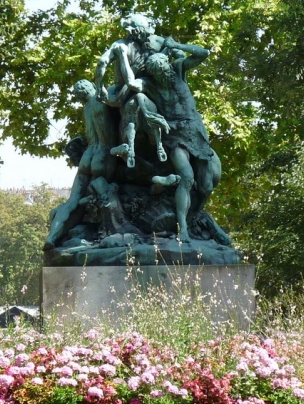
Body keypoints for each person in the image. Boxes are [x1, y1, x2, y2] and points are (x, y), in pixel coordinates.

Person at [122, 38, 227, 243]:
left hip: (195, 132)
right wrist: (121, 57)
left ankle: (194, 216)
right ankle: (184, 229)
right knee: (187, 177)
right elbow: (131, 83)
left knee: (206, 186)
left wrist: (178, 46)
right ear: (152, 72)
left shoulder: (178, 69)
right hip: (175, 135)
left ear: (167, 66)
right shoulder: (149, 84)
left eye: (162, 69)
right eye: (156, 72)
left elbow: (203, 53)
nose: (161, 74)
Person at [44, 79, 118, 249]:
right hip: (104, 154)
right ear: (91, 86)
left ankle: (52, 237)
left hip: (88, 155)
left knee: (72, 200)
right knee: (101, 191)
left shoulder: (86, 109)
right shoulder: (103, 97)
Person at [95, 14, 169, 168]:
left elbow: (102, 62)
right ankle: (161, 141)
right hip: (155, 93)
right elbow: (180, 56)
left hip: (126, 95)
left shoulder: (121, 45)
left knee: (106, 113)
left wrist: (99, 86)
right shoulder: (158, 42)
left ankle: (111, 146)